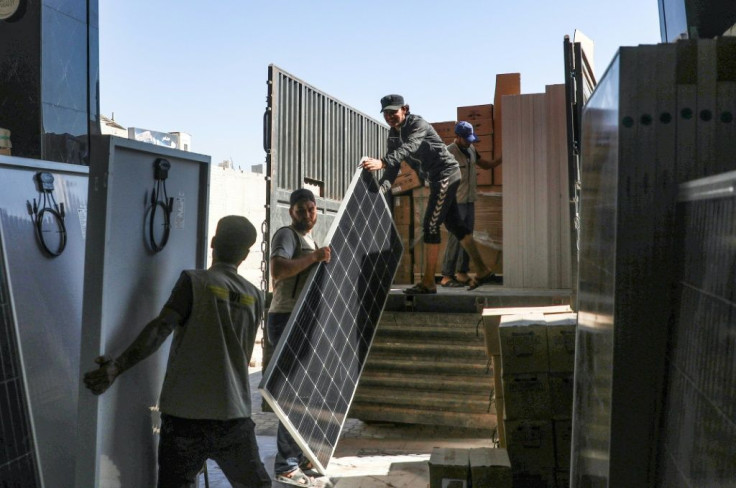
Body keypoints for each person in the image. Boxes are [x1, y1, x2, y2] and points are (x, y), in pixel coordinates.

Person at [83, 216, 272, 488]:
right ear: (245, 253)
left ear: (213, 243)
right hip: (234, 416)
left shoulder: (195, 282)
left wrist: (116, 367)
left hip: (185, 418)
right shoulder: (255, 296)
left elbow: (160, 329)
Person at [361, 94, 501, 294]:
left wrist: (382, 162)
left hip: (446, 174)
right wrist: (381, 190)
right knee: (455, 225)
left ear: (405, 109)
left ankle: (428, 282)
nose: (390, 116)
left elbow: (410, 147)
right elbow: (393, 169)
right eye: (386, 113)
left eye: (394, 112)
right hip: (437, 178)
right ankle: (482, 269)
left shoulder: (417, 124)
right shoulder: (393, 135)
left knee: (430, 225)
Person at [267, 188, 331, 487]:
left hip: (303, 321)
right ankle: (286, 465)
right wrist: (315, 257)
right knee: (292, 395)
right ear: (291, 211)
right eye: (301, 210)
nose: (307, 215)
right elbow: (278, 270)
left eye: (311, 209)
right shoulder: (286, 236)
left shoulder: (310, 241)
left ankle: (303, 456)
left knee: (305, 392)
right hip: (285, 318)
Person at [440, 121, 502, 287]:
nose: (469, 141)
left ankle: (462, 272)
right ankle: (446, 276)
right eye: (466, 139)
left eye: (470, 138)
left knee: (468, 237)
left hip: (469, 200)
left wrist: (500, 160)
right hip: (455, 202)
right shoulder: (448, 152)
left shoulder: (471, 149)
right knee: (455, 238)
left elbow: (485, 165)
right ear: (458, 137)